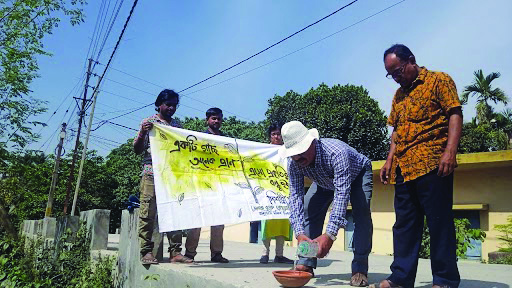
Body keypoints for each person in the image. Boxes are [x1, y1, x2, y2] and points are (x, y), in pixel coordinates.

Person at [372, 44, 463, 288]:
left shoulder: (439, 80)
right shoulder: (398, 96)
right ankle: (401, 278)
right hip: (404, 167)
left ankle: (444, 280)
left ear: (411, 60)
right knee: (404, 225)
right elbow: (396, 131)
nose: (395, 78)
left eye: (398, 71)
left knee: (439, 222)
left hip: (433, 162)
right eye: (390, 74)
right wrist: (390, 159)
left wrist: (450, 152)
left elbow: (455, 113)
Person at [280, 121, 373, 287]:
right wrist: (299, 233)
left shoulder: (337, 153)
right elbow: (295, 196)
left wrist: (329, 235)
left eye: (301, 152)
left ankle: (359, 269)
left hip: (356, 174)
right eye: (293, 154)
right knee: (309, 207)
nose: (297, 158)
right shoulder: (294, 163)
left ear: (312, 142)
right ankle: (306, 261)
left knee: (362, 214)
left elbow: (342, 194)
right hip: (324, 181)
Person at [134, 89, 193, 265]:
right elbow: (137, 150)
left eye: (174, 105)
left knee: (174, 211)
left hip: (171, 174)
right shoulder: (149, 123)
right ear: (159, 104)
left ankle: (175, 252)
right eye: (168, 104)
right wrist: (143, 133)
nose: (171, 108)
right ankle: (146, 252)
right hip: (151, 173)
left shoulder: (177, 126)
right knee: (148, 213)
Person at [184, 107, 229, 263]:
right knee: (196, 221)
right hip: (201, 183)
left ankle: (216, 254)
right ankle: (189, 253)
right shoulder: (200, 138)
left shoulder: (226, 140)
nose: (216, 121)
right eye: (213, 118)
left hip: (219, 184)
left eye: (219, 119)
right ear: (207, 120)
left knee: (218, 221)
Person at [259, 123, 294, 264]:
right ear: (270, 136)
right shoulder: (264, 151)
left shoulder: (289, 151)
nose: (276, 137)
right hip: (268, 191)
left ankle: (279, 255)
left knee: (282, 222)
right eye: (273, 134)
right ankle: (264, 254)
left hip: (285, 192)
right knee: (267, 223)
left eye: (279, 134)